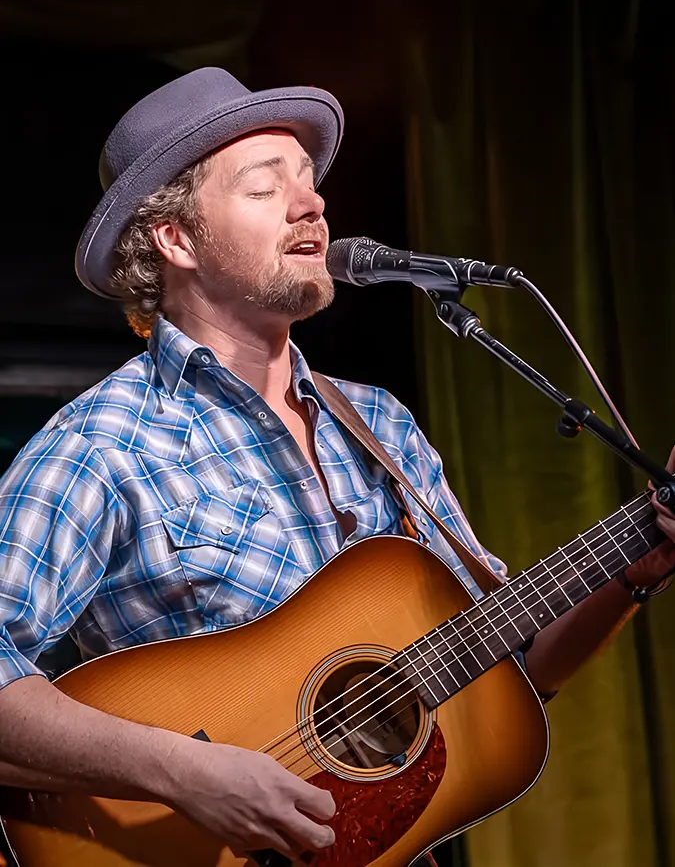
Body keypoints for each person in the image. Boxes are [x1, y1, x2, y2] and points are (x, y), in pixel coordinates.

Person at [0, 67, 674, 865]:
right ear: (175, 239)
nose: (311, 202)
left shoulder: (379, 423)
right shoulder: (104, 444)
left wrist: (641, 563)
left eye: (309, 180)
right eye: (264, 186)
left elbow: (510, 662)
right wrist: (186, 772)